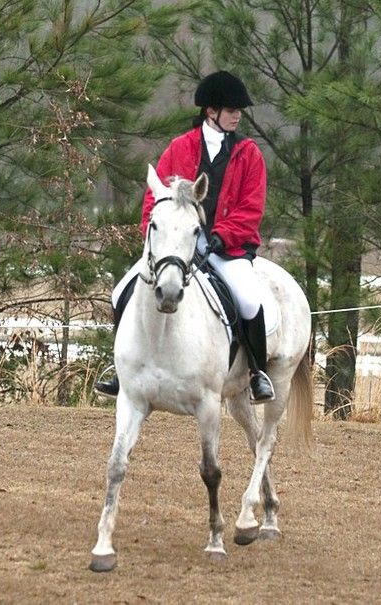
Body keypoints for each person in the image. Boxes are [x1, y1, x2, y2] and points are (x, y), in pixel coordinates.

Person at [95, 70, 275, 402]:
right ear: (211, 111)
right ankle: (119, 369)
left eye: (239, 109)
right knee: (121, 290)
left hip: (227, 248)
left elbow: (252, 207)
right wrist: (157, 232)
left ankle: (256, 373)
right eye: (232, 109)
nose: (238, 114)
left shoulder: (249, 154)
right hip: (177, 245)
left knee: (249, 300)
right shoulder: (180, 147)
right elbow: (155, 195)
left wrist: (223, 235)